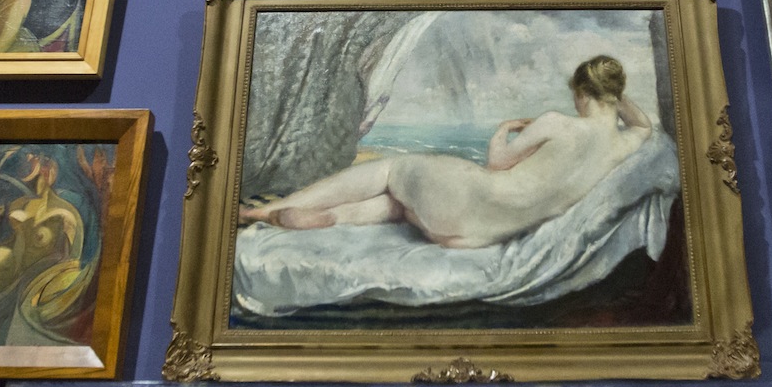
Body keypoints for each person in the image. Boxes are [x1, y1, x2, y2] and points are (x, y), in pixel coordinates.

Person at [239, 55, 653, 251]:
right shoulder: (623, 144)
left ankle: (266, 210)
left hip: (466, 196)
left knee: (392, 170)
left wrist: (504, 129)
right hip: (474, 236)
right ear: (614, 97)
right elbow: (643, 124)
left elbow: (496, 164)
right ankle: (331, 218)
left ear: (581, 93)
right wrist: (615, 95)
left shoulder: (557, 123)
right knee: (397, 206)